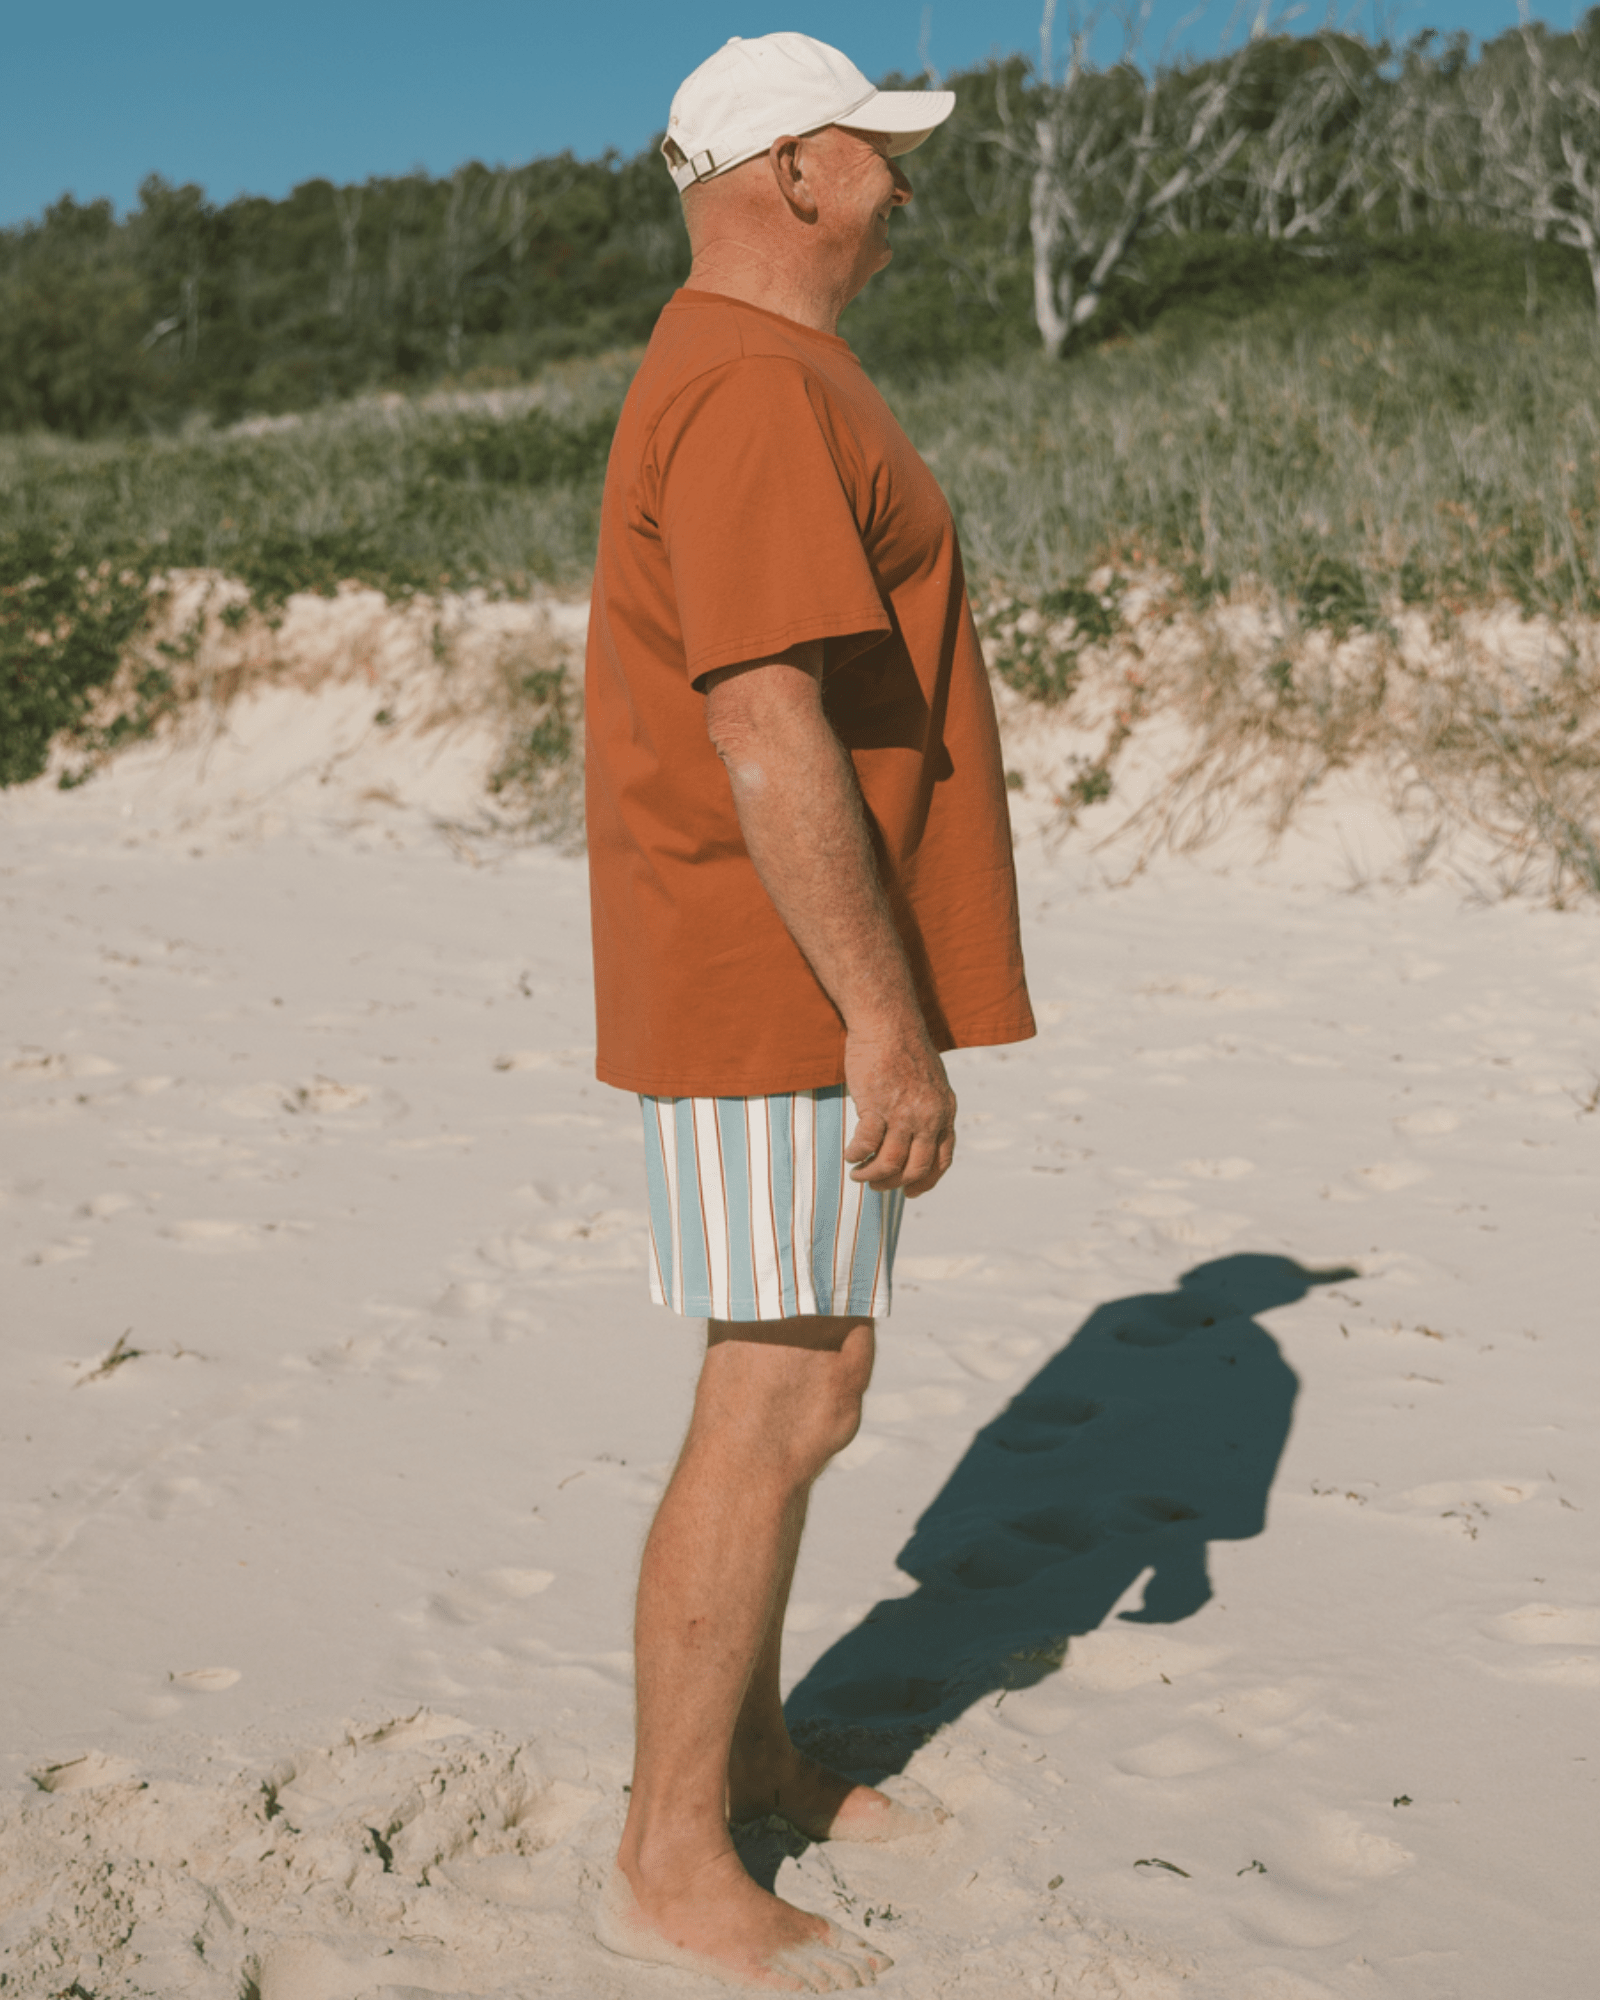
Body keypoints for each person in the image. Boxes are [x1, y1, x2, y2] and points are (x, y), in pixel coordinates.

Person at [583, 31, 1035, 1992]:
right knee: (772, 1392)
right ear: (790, 173)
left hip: (790, 959)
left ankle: (753, 1755)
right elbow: (763, 724)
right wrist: (880, 1014)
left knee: (813, 1371)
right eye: (876, 151)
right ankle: (671, 1856)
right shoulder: (754, 382)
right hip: (775, 966)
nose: (900, 186)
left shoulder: (760, 368)